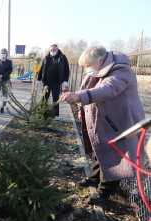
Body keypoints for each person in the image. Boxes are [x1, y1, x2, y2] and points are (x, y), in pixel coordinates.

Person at [60, 46, 145, 204]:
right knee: (99, 148)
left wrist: (78, 96)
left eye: (88, 66)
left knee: (115, 156)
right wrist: (81, 108)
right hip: (104, 119)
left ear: (100, 61)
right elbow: (86, 89)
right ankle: (94, 178)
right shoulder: (97, 71)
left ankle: (105, 192)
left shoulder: (121, 71)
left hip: (121, 121)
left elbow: (108, 89)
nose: (87, 70)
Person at [38, 44, 69, 120]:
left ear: (57, 49)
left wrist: (65, 80)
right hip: (47, 81)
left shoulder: (62, 57)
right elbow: (42, 68)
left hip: (56, 81)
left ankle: (55, 115)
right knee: (44, 97)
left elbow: (67, 70)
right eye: (51, 50)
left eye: (54, 50)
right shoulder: (46, 58)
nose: (52, 51)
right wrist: (39, 79)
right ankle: (42, 112)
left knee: (55, 98)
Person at [0, 48, 13, 113]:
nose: (3, 54)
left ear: (6, 54)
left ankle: (3, 107)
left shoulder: (9, 62)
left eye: (4, 53)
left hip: (6, 80)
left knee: (5, 94)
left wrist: (2, 76)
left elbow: (10, 71)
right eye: (2, 53)